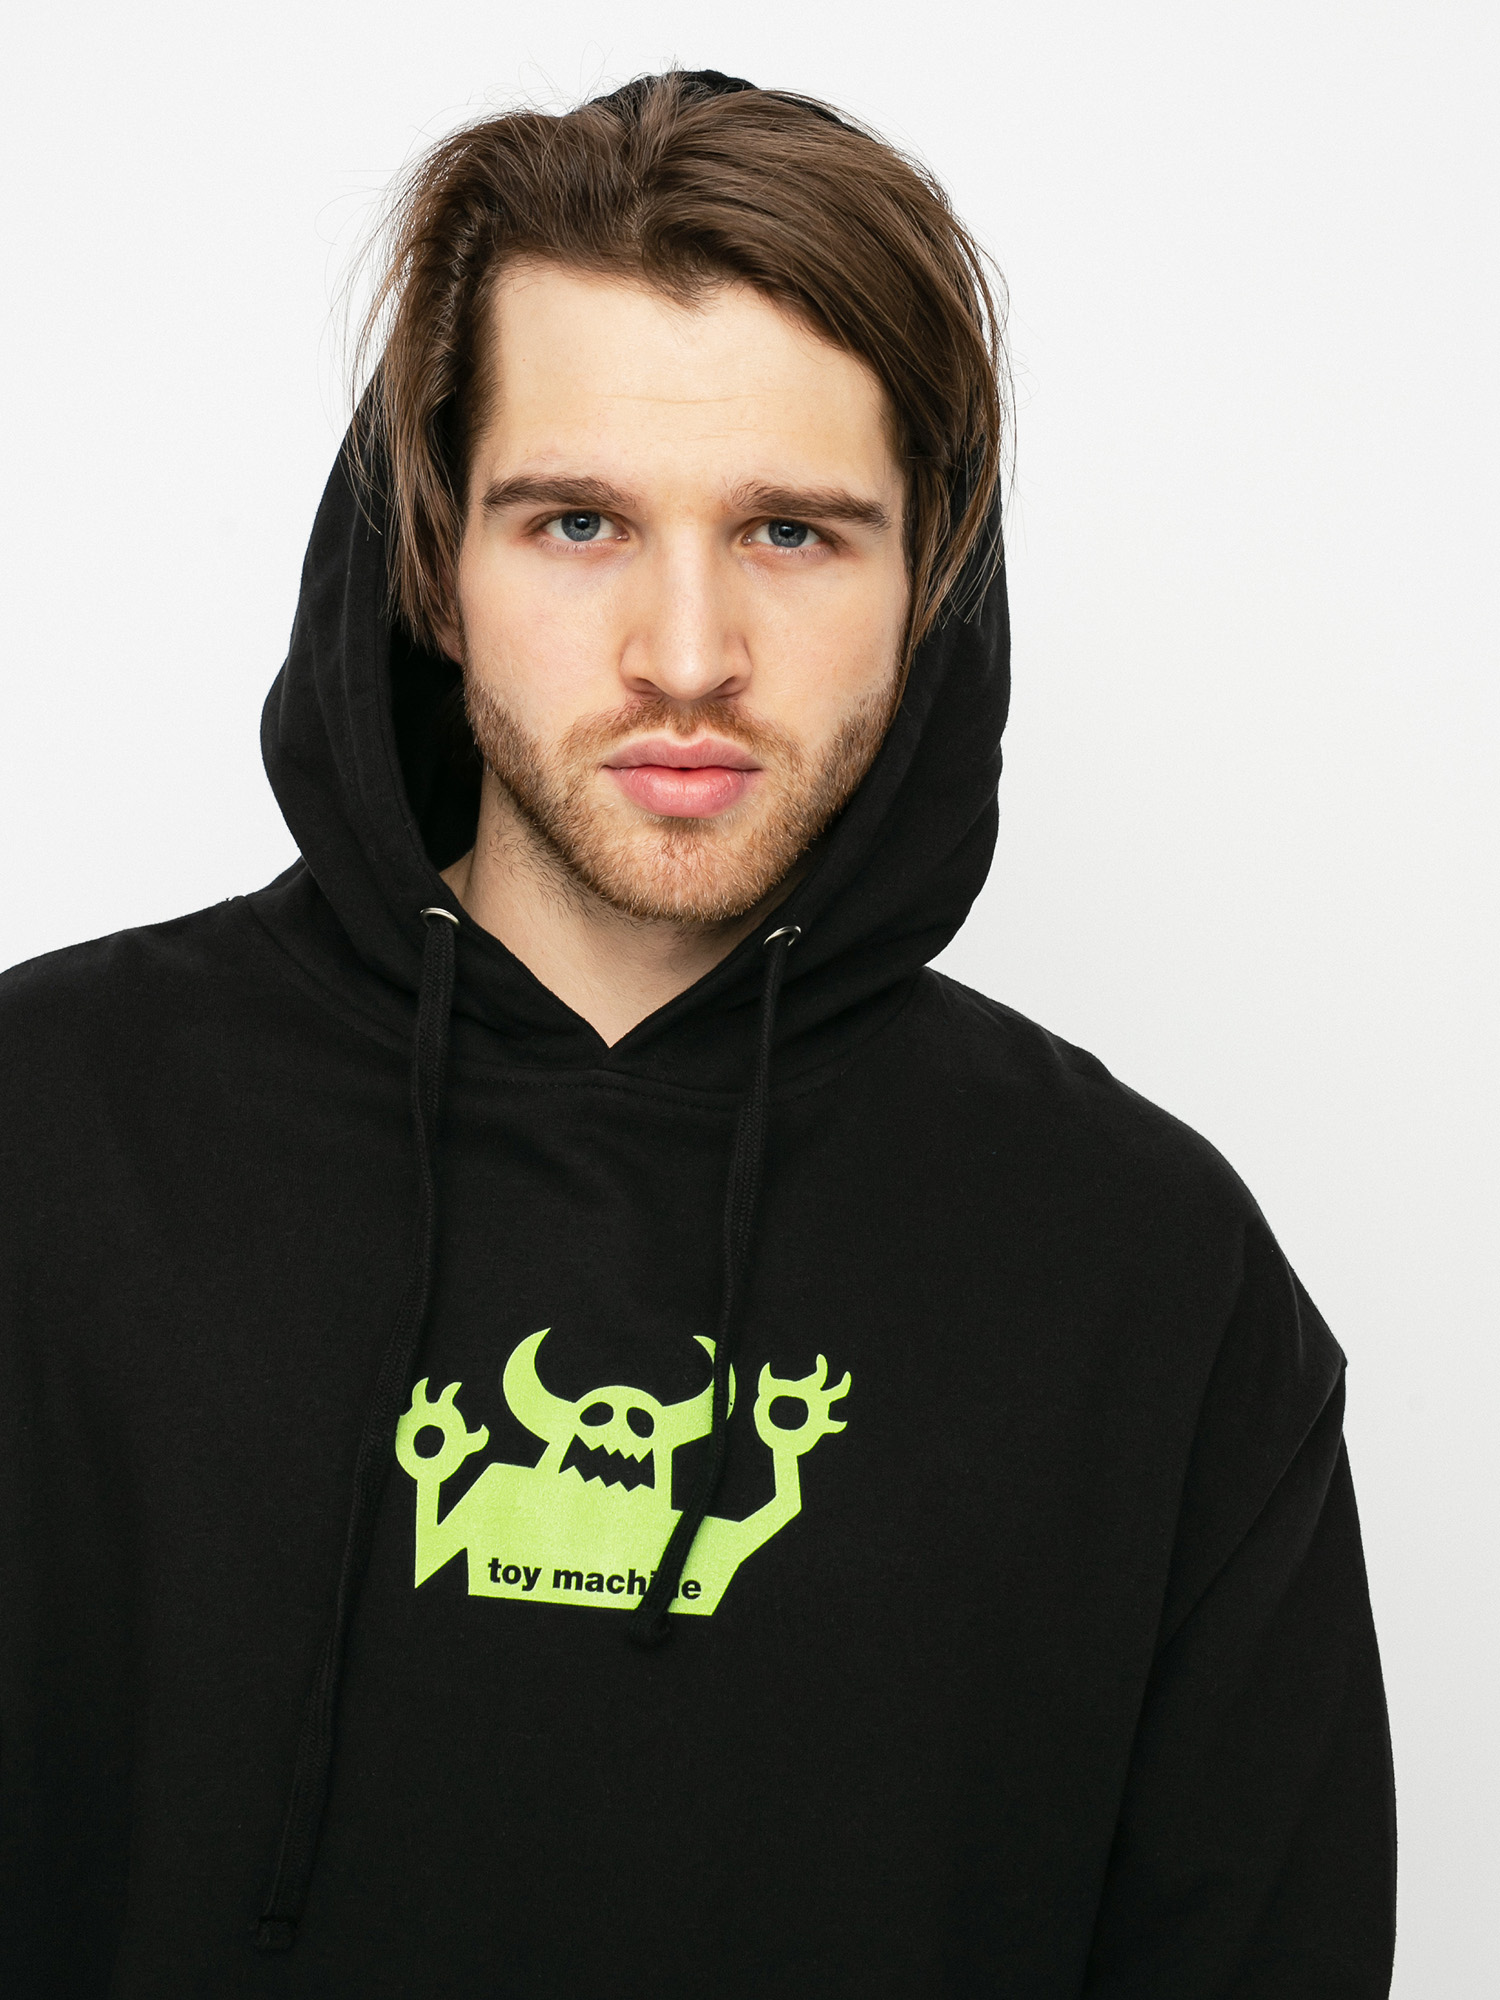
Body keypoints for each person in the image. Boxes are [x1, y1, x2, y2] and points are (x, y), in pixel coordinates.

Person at [0, 69, 1395, 1998]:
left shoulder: (1150, 1277)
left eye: (792, 534)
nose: (683, 655)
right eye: (577, 521)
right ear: (433, 561)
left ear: (929, 580)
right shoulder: (47, 1144)